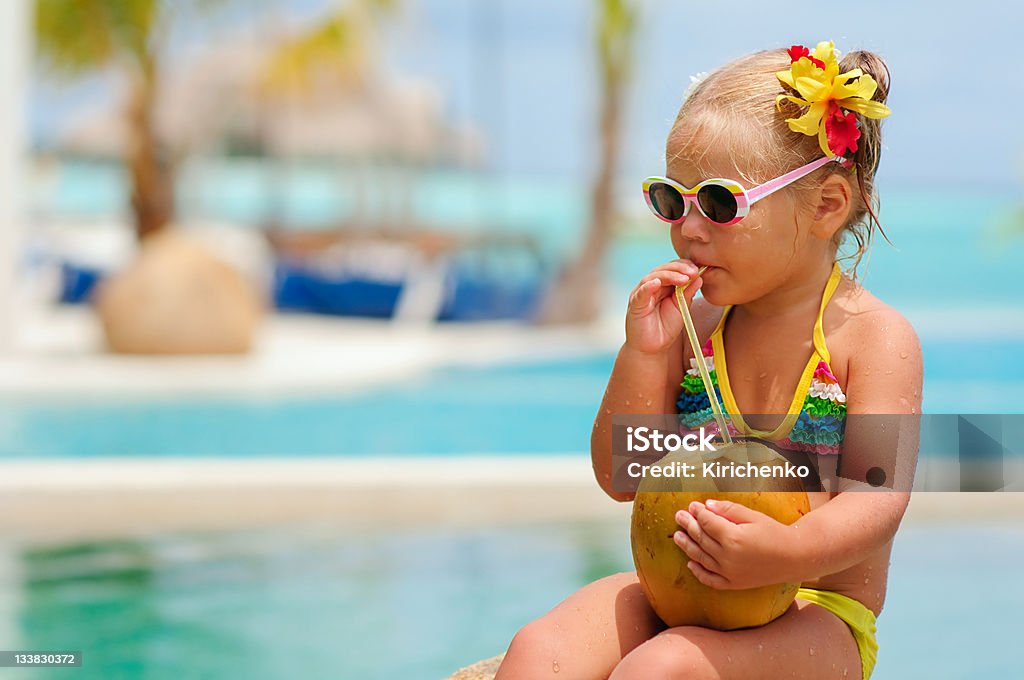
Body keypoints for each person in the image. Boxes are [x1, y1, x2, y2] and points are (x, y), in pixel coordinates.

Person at [496, 41, 922, 680]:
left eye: (720, 204)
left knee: (662, 668)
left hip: (817, 617)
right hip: (678, 596)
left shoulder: (873, 339)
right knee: (539, 650)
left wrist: (787, 552)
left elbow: (877, 501)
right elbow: (622, 476)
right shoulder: (693, 326)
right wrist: (645, 353)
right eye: (673, 200)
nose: (689, 229)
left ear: (827, 206)